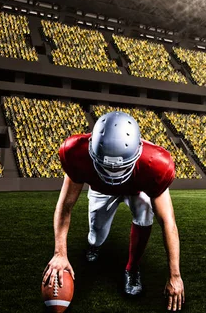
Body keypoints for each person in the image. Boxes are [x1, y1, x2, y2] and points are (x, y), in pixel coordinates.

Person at [42, 111, 185, 311]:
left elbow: (168, 221)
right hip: (100, 190)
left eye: (119, 168)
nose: (112, 173)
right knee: (96, 234)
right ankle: (94, 244)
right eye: (106, 166)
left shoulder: (154, 164)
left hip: (137, 188)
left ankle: (132, 268)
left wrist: (175, 275)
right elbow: (65, 205)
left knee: (146, 211)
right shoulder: (77, 152)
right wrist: (59, 252)